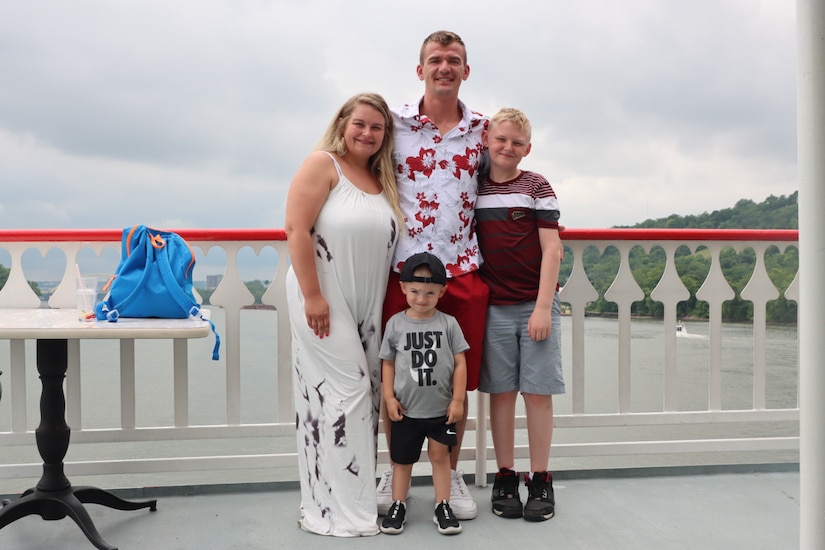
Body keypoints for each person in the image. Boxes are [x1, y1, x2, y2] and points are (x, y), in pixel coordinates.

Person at [378, 29, 488, 521]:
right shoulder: (393, 123)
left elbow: (505, 178)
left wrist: (537, 216)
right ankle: (394, 465)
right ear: (419, 69)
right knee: (399, 375)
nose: (445, 67)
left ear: (466, 71)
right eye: (436, 60)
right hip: (402, 270)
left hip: (461, 268)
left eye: (455, 60)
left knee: (454, 381)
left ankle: (453, 469)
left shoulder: (484, 130)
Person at [284, 92, 402, 537]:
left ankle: (338, 499)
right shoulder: (323, 164)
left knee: (363, 395)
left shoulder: (380, 177)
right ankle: (345, 513)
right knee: (350, 391)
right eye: (361, 124)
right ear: (343, 124)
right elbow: (296, 228)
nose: (368, 133)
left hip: (365, 301)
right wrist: (314, 297)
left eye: (377, 127)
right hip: (322, 295)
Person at [475, 107, 564, 522]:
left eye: (516, 142)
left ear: (527, 149)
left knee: (538, 393)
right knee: (501, 393)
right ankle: (505, 475)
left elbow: (553, 249)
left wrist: (543, 306)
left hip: (534, 305)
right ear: (487, 141)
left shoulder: (536, 186)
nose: (507, 147)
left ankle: (541, 477)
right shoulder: (474, 187)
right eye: (500, 139)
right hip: (493, 305)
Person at [379, 252, 469, 535]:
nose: (421, 298)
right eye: (415, 291)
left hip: (440, 410)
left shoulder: (449, 324)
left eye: (429, 292)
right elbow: (389, 363)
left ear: (442, 291)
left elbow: (459, 363)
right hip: (406, 410)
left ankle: (443, 504)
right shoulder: (395, 324)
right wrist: (389, 398)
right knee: (402, 461)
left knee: (440, 457)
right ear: (403, 288)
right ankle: (398, 504)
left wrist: (457, 400)